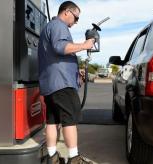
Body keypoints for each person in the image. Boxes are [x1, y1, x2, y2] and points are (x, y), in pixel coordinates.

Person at [38, 1, 94, 164]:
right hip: (62, 84)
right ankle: (74, 158)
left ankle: (52, 157)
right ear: (67, 12)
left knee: (52, 120)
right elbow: (60, 47)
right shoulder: (58, 25)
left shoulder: (49, 27)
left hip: (50, 84)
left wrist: (76, 72)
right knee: (70, 121)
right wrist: (85, 45)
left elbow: (55, 55)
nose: (76, 22)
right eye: (76, 18)